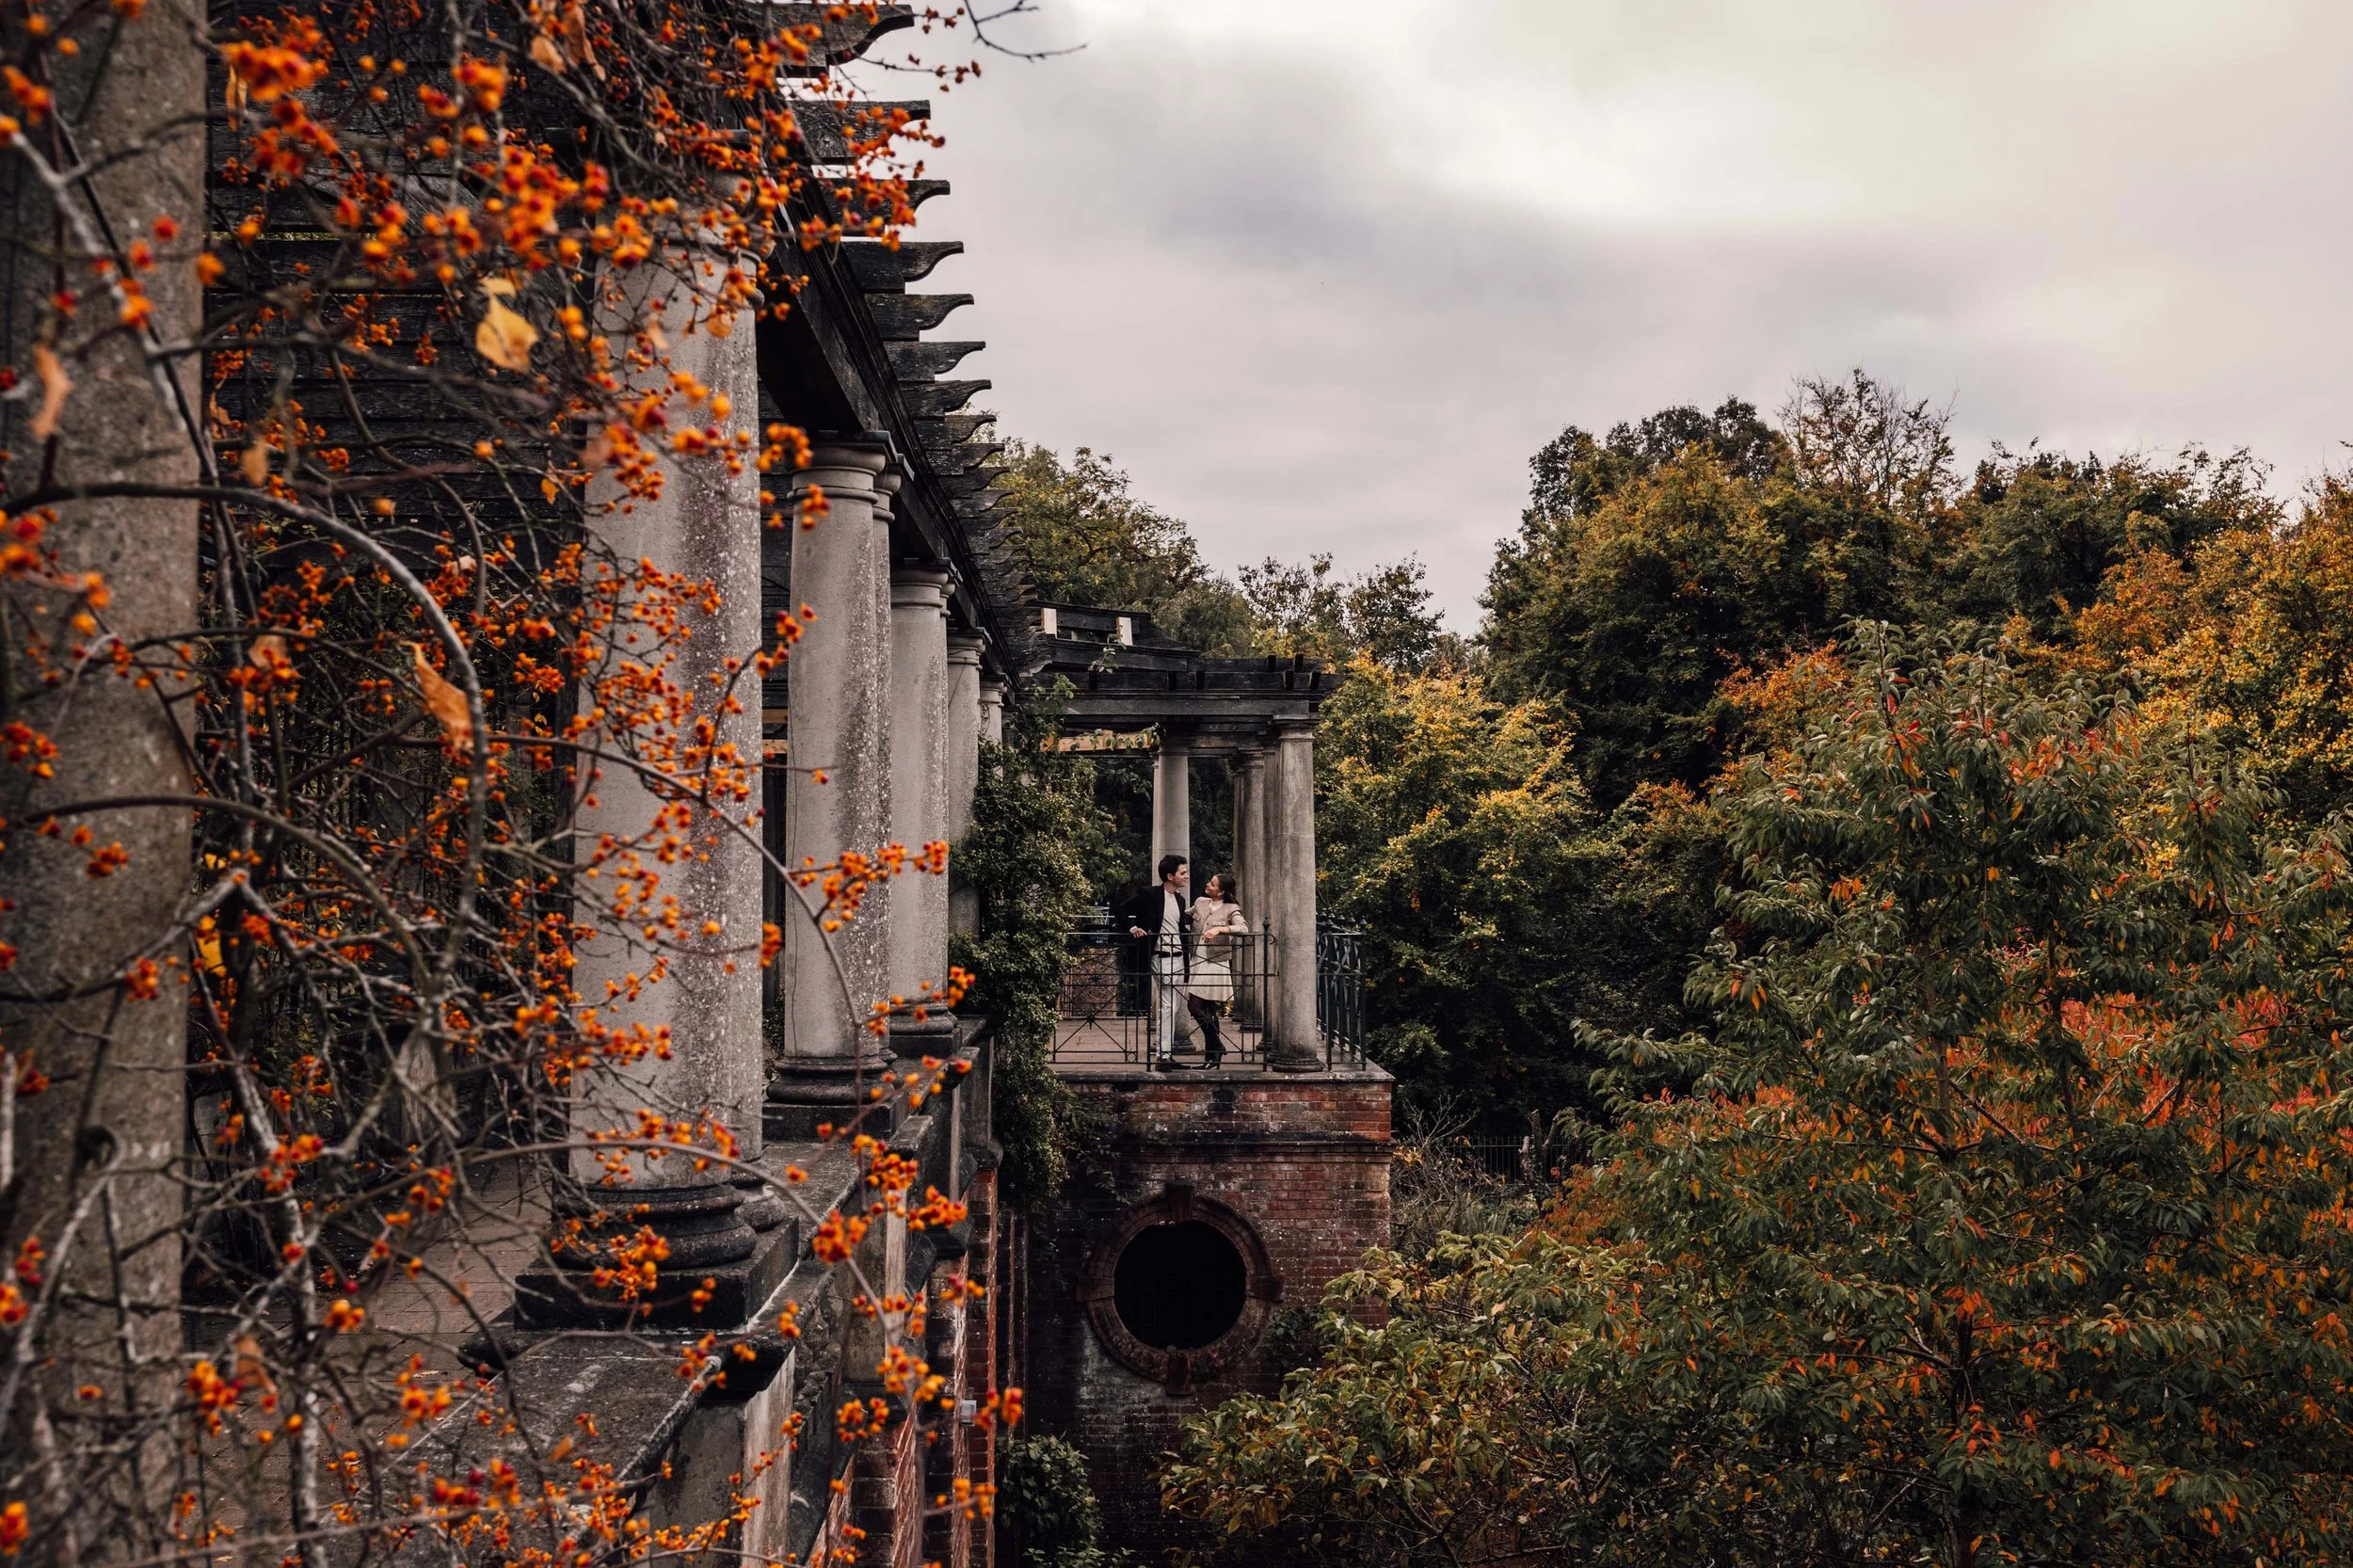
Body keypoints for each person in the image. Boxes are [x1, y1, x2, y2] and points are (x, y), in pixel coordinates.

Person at [1117, 855, 1193, 1071]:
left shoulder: (1180, 900)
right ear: (1170, 876)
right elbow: (1120, 909)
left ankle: (1166, 1054)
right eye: (1182, 873)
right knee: (1167, 1005)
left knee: (1175, 1006)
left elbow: (1178, 928)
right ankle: (1163, 1057)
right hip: (1160, 956)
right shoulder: (1149, 894)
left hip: (1180, 958)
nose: (1186, 876)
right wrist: (1133, 928)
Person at [1185, 873, 1247, 1069]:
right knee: (1208, 1010)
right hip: (1197, 959)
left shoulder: (1231, 908)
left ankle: (1216, 1048)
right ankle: (1213, 1056)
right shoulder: (1200, 902)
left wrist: (1220, 930)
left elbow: (1243, 928)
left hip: (1215, 962)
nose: (1207, 884)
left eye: (1212, 883)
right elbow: (1183, 917)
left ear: (1221, 891)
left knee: (1194, 1006)